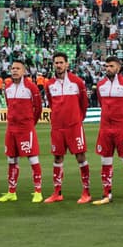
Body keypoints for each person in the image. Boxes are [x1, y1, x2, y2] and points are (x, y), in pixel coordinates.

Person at [44, 51, 92, 204]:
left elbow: (84, 104)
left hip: (74, 126)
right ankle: (57, 192)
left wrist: (77, 120)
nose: (58, 65)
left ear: (67, 64)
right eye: (56, 63)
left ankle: (86, 192)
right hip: (57, 127)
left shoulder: (77, 82)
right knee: (57, 157)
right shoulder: (49, 84)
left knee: (80, 157)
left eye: (61, 62)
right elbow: (52, 104)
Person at [92, 56, 123, 206]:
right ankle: (107, 194)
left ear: (118, 67)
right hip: (105, 129)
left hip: (122, 129)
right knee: (105, 161)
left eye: (111, 66)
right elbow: (102, 104)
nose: (108, 69)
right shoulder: (101, 85)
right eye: (106, 66)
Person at [0, 59, 43, 203]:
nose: (14, 70)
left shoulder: (31, 87)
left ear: (24, 71)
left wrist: (30, 124)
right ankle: (11, 192)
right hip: (11, 128)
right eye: (13, 68)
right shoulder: (8, 87)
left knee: (32, 158)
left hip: (25, 128)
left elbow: (38, 108)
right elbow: (9, 105)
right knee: (11, 159)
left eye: (17, 68)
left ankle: (37, 191)